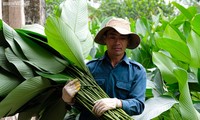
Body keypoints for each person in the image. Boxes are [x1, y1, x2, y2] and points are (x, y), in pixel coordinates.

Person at [62, 17, 147, 119]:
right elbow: (80, 104)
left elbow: (138, 105)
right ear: (104, 38)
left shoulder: (137, 71)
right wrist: (68, 99)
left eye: (123, 38)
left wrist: (117, 103)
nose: (117, 42)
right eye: (112, 37)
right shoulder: (89, 68)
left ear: (128, 42)